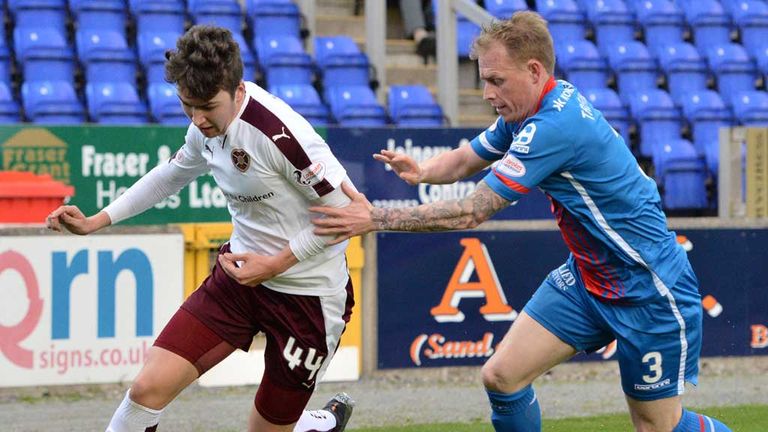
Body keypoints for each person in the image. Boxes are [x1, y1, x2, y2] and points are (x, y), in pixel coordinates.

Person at [310, 11, 732, 432]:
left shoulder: (552, 126)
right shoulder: (532, 109)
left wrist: (375, 217)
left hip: (649, 289)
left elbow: (472, 211)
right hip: (589, 280)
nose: (487, 92)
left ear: (533, 71)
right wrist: (422, 170)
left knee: (658, 427)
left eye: (496, 80)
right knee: (502, 377)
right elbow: (465, 158)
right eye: (484, 79)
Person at [46, 25, 356, 432]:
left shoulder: (280, 135)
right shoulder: (202, 125)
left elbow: (349, 214)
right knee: (146, 390)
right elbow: (170, 175)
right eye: (187, 105)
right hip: (238, 280)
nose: (197, 119)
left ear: (237, 89)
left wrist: (276, 264)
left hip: (308, 296)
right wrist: (96, 221)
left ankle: (314, 425)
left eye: (207, 106)